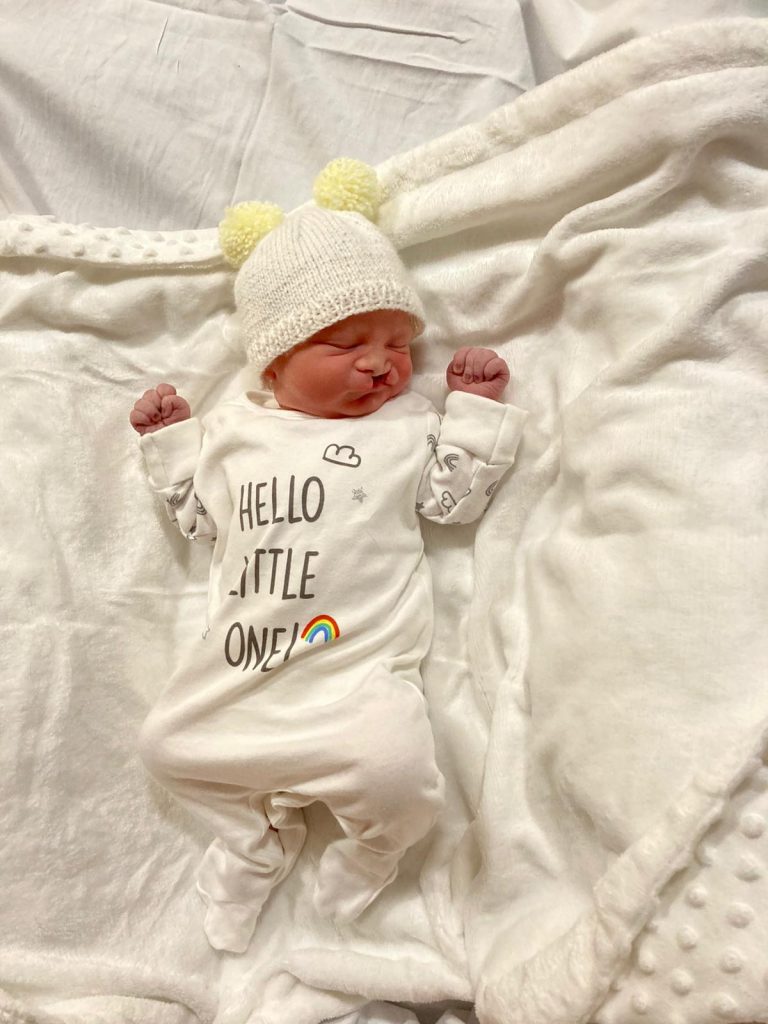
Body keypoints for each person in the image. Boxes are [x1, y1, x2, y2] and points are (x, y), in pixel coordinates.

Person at [129, 160, 527, 954]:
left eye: (396, 343)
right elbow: (200, 523)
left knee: (403, 784)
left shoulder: (405, 424)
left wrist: (474, 414)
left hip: (355, 677)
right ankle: (252, 835)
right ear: (274, 364)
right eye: (346, 343)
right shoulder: (234, 433)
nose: (379, 362)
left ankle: (372, 852)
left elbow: (449, 503)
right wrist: (171, 445)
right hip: (243, 671)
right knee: (165, 749)